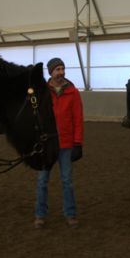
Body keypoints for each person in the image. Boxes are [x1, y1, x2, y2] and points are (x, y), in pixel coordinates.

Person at [34, 58, 84, 229]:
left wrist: (78, 143)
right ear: (50, 72)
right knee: (42, 181)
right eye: (57, 69)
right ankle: (40, 215)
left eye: (62, 68)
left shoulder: (73, 92)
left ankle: (70, 214)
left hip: (66, 144)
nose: (61, 72)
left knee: (67, 181)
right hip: (47, 146)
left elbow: (78, 119)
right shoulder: (43, 93)